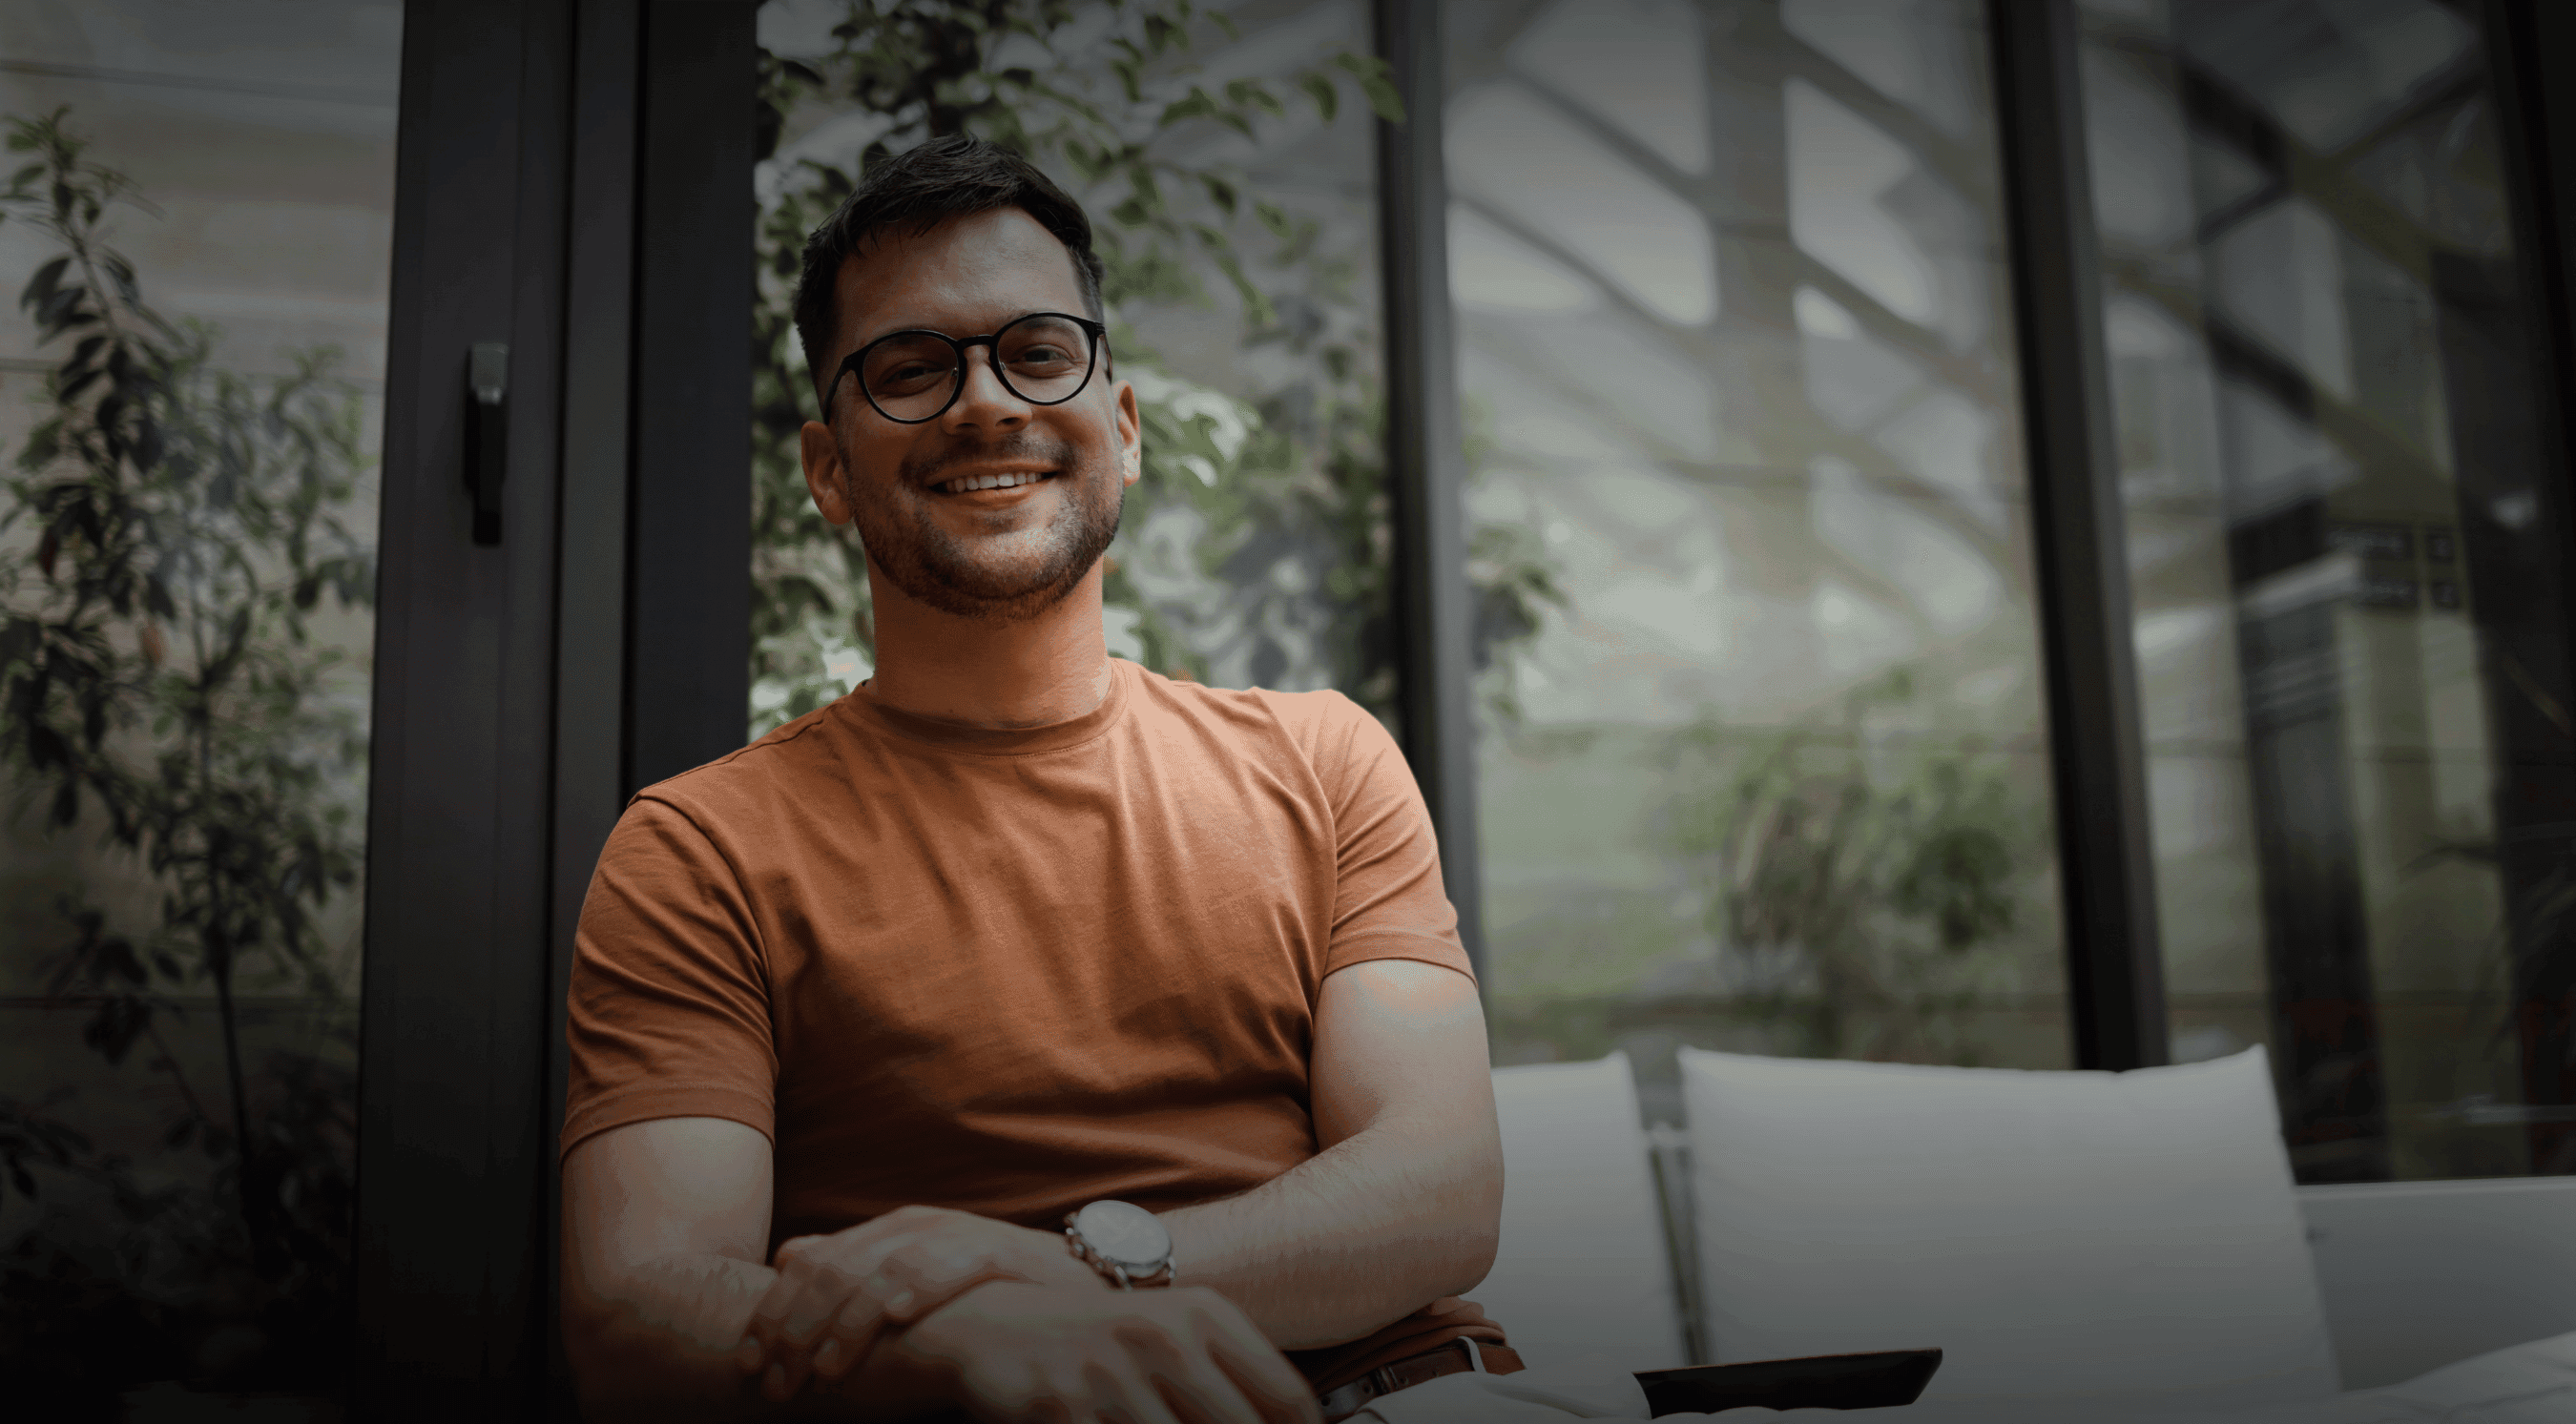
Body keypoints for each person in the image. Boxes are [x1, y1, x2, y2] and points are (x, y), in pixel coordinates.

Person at [556, 133, 1517, 1424]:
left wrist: (1078, 1270)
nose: (985, 403)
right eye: (909, 368)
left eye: (1039, 351)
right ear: (828, 469)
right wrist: (952, 1352)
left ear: (1121, 427)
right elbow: (639, 1299)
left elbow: (1443, 1189)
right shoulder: (698, 850)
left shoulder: (1326, 759)